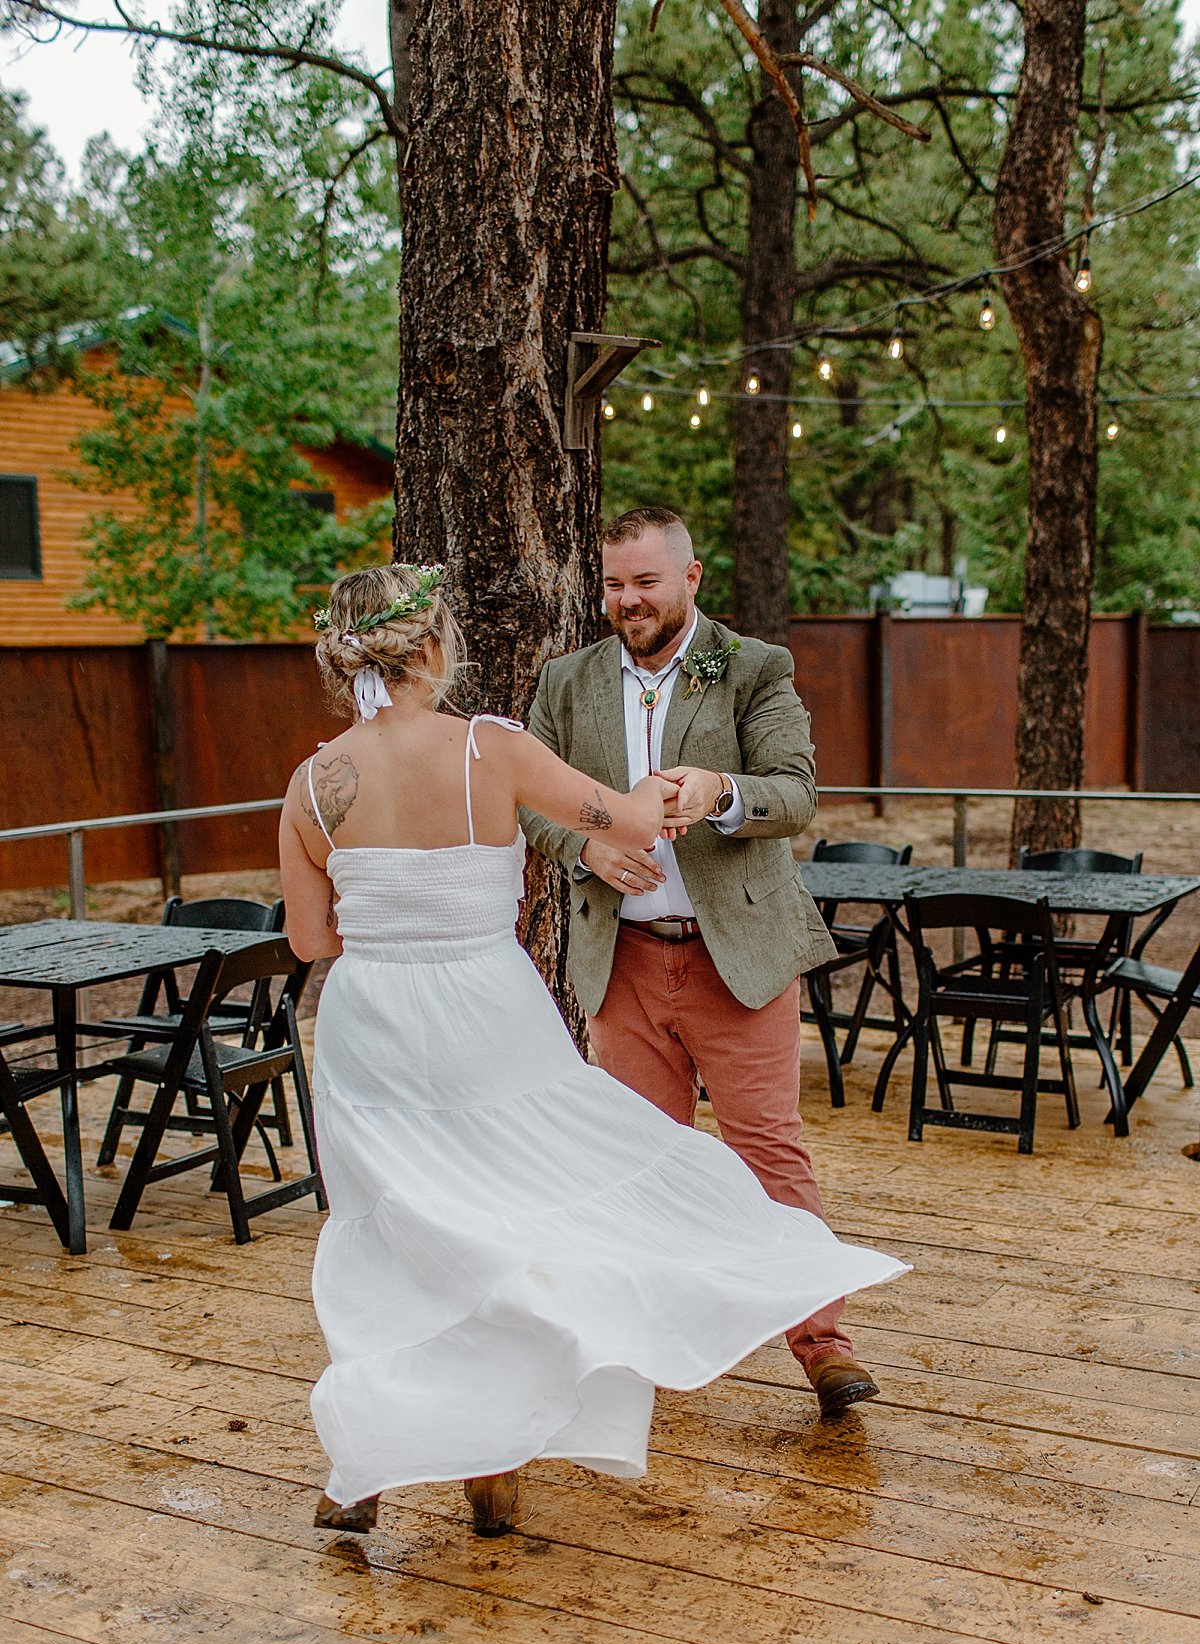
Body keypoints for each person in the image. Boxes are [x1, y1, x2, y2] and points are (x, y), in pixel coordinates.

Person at [280, 561, 904, 1538]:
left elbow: (313, 940)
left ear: (346, 656)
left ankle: (371, 1458)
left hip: (371, 1035)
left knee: (387, 1239)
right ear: (434, 647)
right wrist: (681, 786)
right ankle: (492, 1452)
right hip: (487, 1017)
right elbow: (633, 818)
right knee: (516, 1221)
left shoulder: (313, 785)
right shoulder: (493, 749)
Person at [520, 506, 879, 1419]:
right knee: (638, 1165)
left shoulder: (754, 668)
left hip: (738, 961)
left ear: (692, 578)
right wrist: (583, 849)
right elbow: (524, 798)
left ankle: (822, 1342)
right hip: (624, 963)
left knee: (768, 1150)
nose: (627, 600)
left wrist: (721, 792)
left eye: (645, 581)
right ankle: (647, 1339)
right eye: (612, 584)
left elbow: (795, 795)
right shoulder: (567, 682)